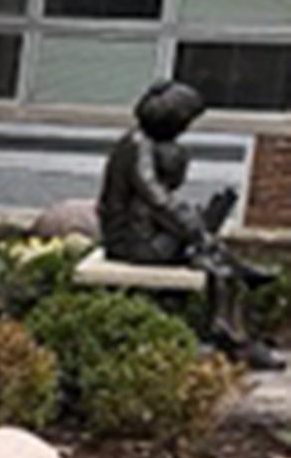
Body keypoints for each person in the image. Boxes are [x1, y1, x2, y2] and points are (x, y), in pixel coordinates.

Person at [98, 79, 283, 371]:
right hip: (132, 243)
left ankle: (233, 332)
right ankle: (235, 338)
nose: (186, 127)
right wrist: (194, 228)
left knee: (209, 252)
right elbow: (157, 199)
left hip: (146, 234)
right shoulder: (136, 146)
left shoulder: (144, 143)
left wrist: (193, 226)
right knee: (209, 254)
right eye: (185, 121)